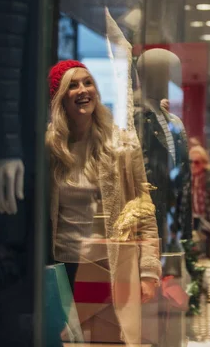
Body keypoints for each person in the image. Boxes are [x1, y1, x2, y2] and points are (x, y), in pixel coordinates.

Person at [46, 60, 162, 344]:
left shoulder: (121, 146)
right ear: (60, 97)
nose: (82, 90)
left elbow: (143, 210)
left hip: (108, 266)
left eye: (87, 82)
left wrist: (148, 271)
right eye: (72, 85)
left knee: (108, 340)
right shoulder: (50, 147)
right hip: (63, 267)